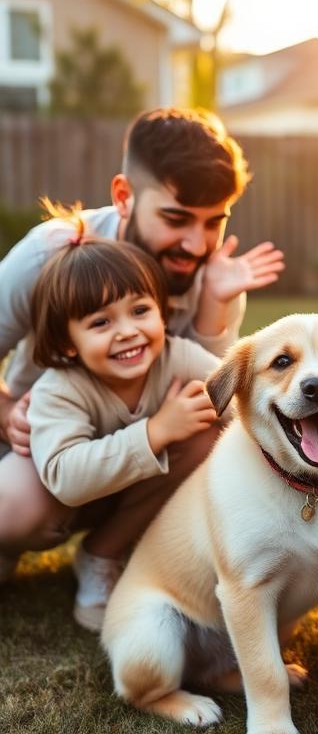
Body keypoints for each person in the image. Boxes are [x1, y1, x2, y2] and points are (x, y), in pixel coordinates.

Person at [0, 108, 284, 589]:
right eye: (176, 219)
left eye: (214, 222)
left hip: (146, 448)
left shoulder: (211, 274)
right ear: (124, 197)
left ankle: (108, 550)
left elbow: (207, 391)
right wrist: (7, 410)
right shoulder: (52, 253)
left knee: (215, 434)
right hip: (45, 454)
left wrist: (214, 306)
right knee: (15, 512)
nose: (196, 245)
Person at [22, 233, 224, 630]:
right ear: (67, 343)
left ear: (162, 313)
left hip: (137, 494)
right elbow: (66, 478)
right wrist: (156, 431)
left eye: (140, 310)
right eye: (101, 322)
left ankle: (104, 553)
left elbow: (237, 399)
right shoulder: (58, 388)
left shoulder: (177, 357)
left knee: (207, 435)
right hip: (69, 502)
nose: (128, 331)